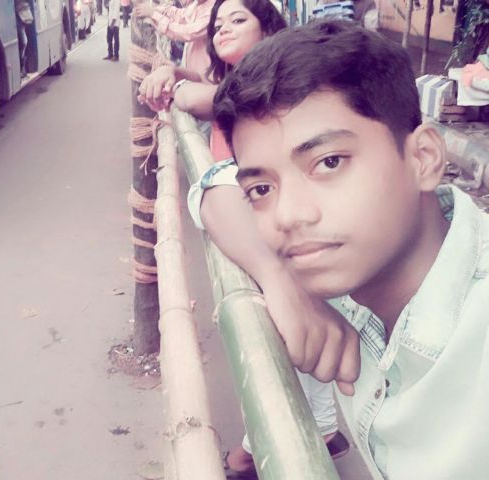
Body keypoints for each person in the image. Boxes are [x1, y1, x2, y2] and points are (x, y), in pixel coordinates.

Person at [190, 19, 489, 479]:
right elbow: (214, 186)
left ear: (424, 158)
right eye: (262, 189)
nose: (289, 215)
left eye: (329, 162)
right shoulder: (350, 268)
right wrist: (280, 279)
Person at [139, 2, 349, 477]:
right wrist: (174, 73)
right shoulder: (235, 79)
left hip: (271, 221)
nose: (223, 30)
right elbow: (204, 85)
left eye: (239, 20)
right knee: (299, 315)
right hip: (259, 217)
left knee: (289, 319)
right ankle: (317, 427)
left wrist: (180, 88)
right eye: (218, 25)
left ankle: (269, 444)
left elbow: (206, 99)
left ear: (268, 27)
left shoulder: (270, 85)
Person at [133, 0, 215, 80]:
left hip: (205, 74)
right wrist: (155, 10)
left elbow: (187, 32)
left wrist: (154, 14)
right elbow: (180, 14)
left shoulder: (214, 10)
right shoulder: (197, 4)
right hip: (190, 66)